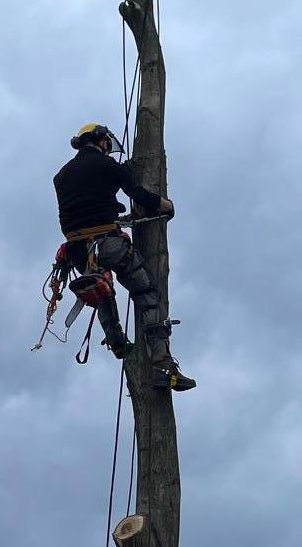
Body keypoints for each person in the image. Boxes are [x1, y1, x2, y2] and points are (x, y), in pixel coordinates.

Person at [52, 122, 195, 392]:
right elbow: (141, 196)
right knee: (147, 293)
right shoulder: (107, 167)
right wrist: (167, 206)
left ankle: (116, 340)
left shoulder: (61, 175)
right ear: (100, 139)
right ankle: (162, 363)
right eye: (107, 141)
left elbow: (85, 209)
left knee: (101, 288)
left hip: (78, 251)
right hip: (109, 244)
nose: (109, 147)